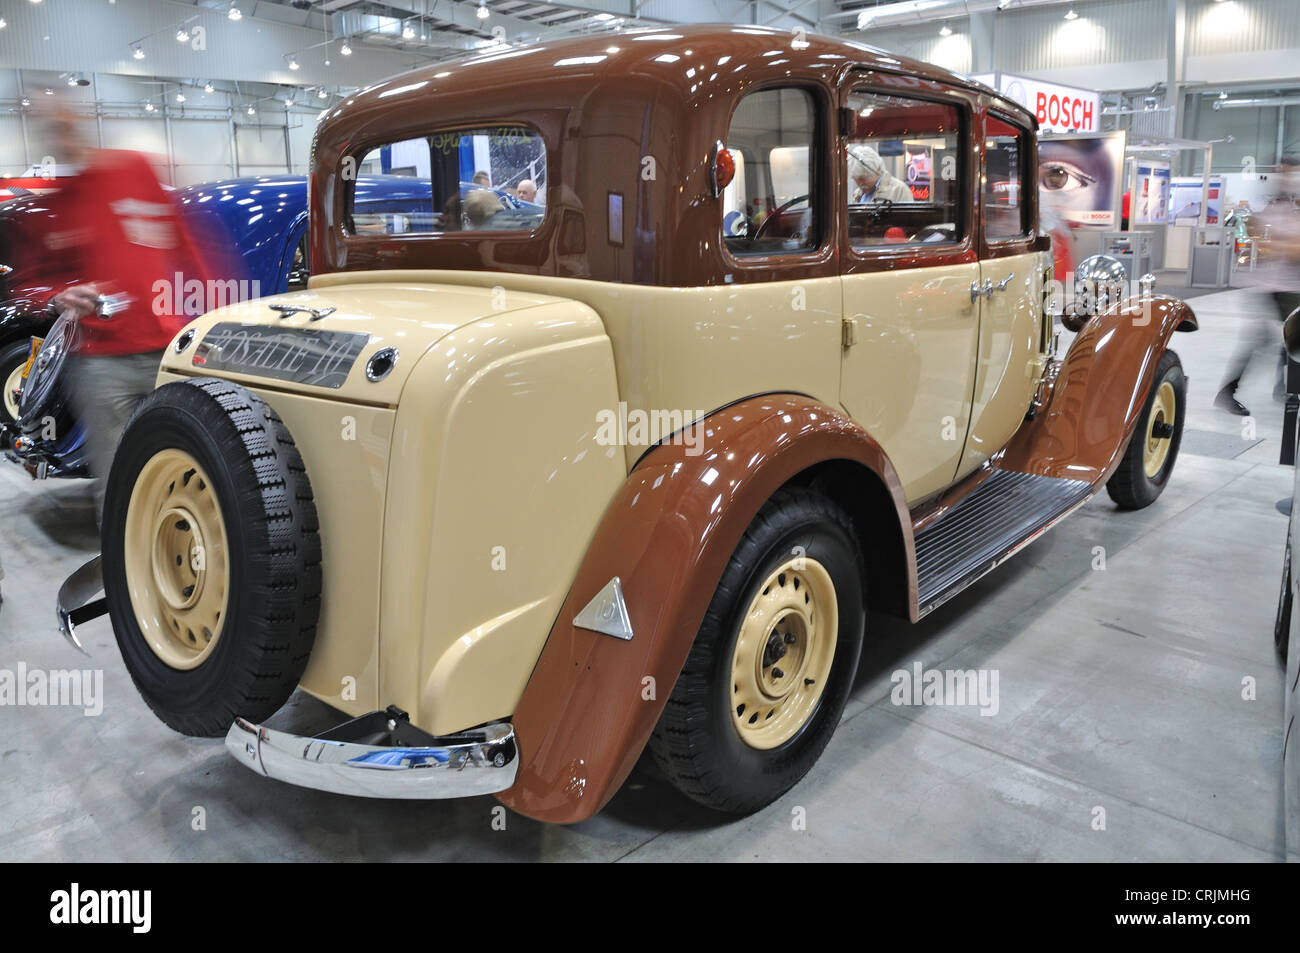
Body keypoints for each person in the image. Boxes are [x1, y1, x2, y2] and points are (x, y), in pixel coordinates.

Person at [14, 109, 213, 520]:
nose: (61, 134)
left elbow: (185, 242)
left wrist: (209, 313)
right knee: (118, 482)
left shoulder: (134, 169)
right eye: (51, 129)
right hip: (99, 364)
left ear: (81, 123)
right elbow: (33, 283)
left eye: (65, 121)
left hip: (166, 348)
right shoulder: (61, 204)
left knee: (193, 467)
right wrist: (62, 295)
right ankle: (126, 576)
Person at [1216, 156, 1300, 416]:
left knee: (1288, 340)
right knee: (1268, 340)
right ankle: (1228, 392)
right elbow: (1277, 246)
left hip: (1289, 284)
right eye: (1283, 173)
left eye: (1290, 174)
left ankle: (1283, 387)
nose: (1286, 178)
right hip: (1272, 286)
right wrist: (1287, 245)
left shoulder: (1288, 208)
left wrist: (1285, 245)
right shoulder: (1275, 208)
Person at [847, 143, 913, 204]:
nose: (860, 183)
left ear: (878, 169)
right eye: (856, 178)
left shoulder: (899, 191)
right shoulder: (857, 194)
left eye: (864, 178)